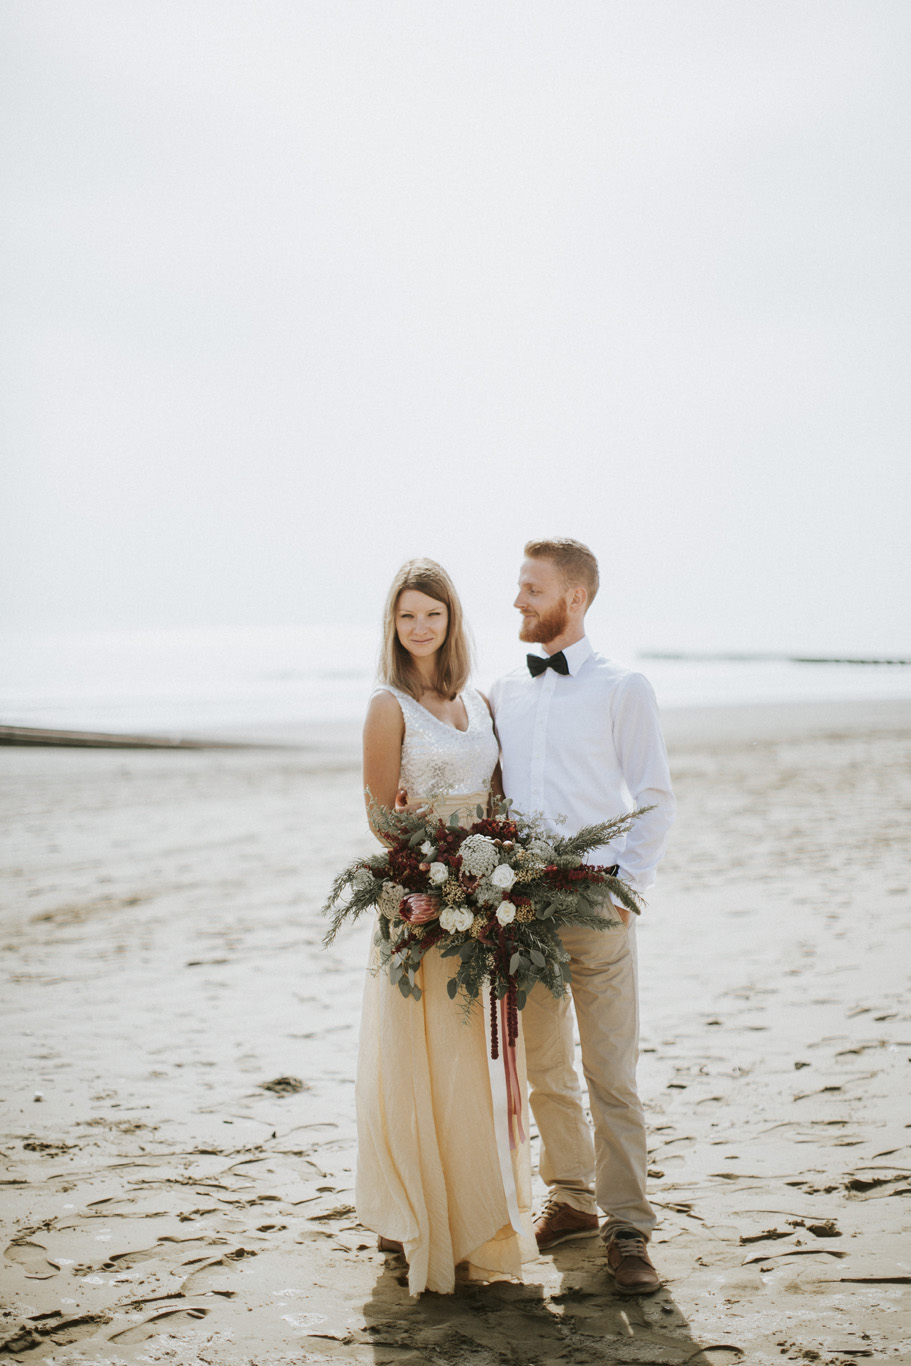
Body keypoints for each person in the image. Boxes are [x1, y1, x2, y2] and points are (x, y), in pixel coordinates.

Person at [489, 538, 676, 1296]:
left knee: (610, 1071)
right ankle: (569, 1197)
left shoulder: (623, 686)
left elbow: (653, 797)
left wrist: (625, 888)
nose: (517, 601)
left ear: (574, 598)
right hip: (523, 906)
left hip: (597, 901)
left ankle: (627, 1226)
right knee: (543, 1069)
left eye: (531, 589)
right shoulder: (503, 688)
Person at [356, 557, 536, 1296]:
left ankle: (476, 1211)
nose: (420, 627)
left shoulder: (481, 702)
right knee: (417, 1059)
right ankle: (410, 1215)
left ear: (451, 620)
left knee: (474, 1064)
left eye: (431, 613)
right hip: (422, 903)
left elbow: (497, 801)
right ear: (393, 627)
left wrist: (499, 878)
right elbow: (380, 818)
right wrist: (429, 883)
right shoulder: (386, 705)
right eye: (407, 616)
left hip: (483, 900)